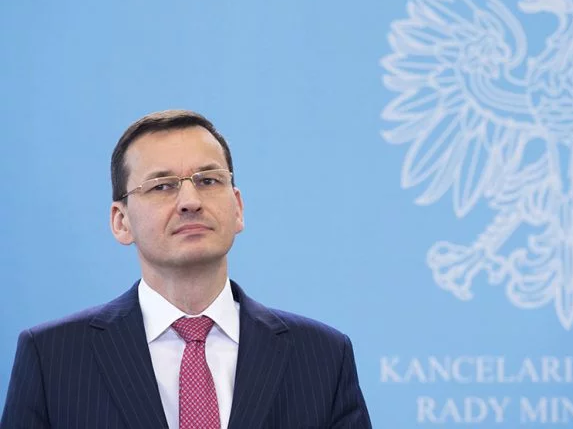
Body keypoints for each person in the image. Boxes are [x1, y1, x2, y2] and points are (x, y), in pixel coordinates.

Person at [1, 109, 373, 429]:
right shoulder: (52, 357)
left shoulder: (322, 356)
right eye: (162, 186)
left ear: (238, 208)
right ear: (121, 221)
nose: (190, 201)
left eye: (208, 181)